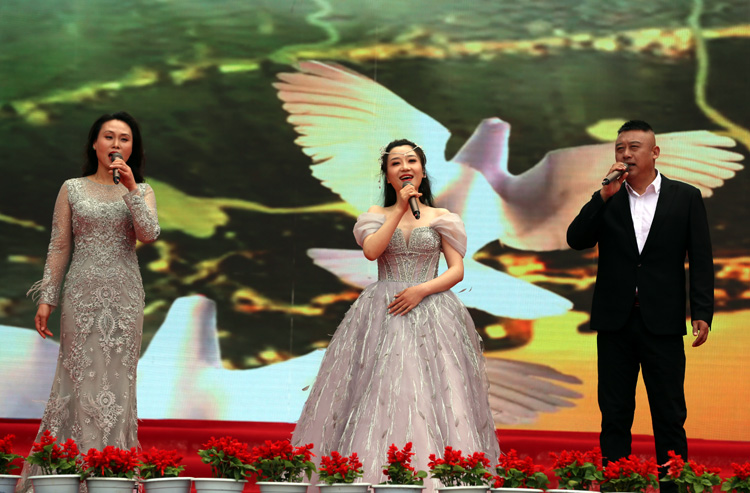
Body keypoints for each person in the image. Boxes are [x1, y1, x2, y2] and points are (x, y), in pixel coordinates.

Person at [292, 139, 500, 492]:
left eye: (411, 160)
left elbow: (456, 271)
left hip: (431, 308)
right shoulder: (376, 214)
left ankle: (438, 478)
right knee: (378, 386)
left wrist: (421, 290)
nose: (405, 167)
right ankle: (366, 476)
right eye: (396, 162)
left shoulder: (443, 218)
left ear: (422, 170)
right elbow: (372, 251)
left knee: (435, 391)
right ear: (387, 175)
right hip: (383, 310)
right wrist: (399, 209)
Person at [566, 120, 713, 490]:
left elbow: (701, 259)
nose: (626, 154)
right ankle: (618, 487)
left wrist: (702, 312)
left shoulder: (685, 197)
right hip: (615, 322)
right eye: (620, 148)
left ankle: (673, 487)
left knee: (669, 415)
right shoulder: (609, 197)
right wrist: (602, 195)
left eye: (634, 147)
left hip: (662, 322)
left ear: (654, 152)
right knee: (615, 414)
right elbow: (576, 239)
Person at [20, 112, 159, 491]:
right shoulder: (72, 188)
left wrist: (131, 189)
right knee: (78, 379)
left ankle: (112, 476)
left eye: (124, 139)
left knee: (118, 383)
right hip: (81, 295)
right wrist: (47, 298)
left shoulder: (142, 190)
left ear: (132, 148)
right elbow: (59, 246)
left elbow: (149, 234)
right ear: (95, 144)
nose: (116, 145)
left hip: (125, 297)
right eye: (109, 137)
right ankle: (68, 474)